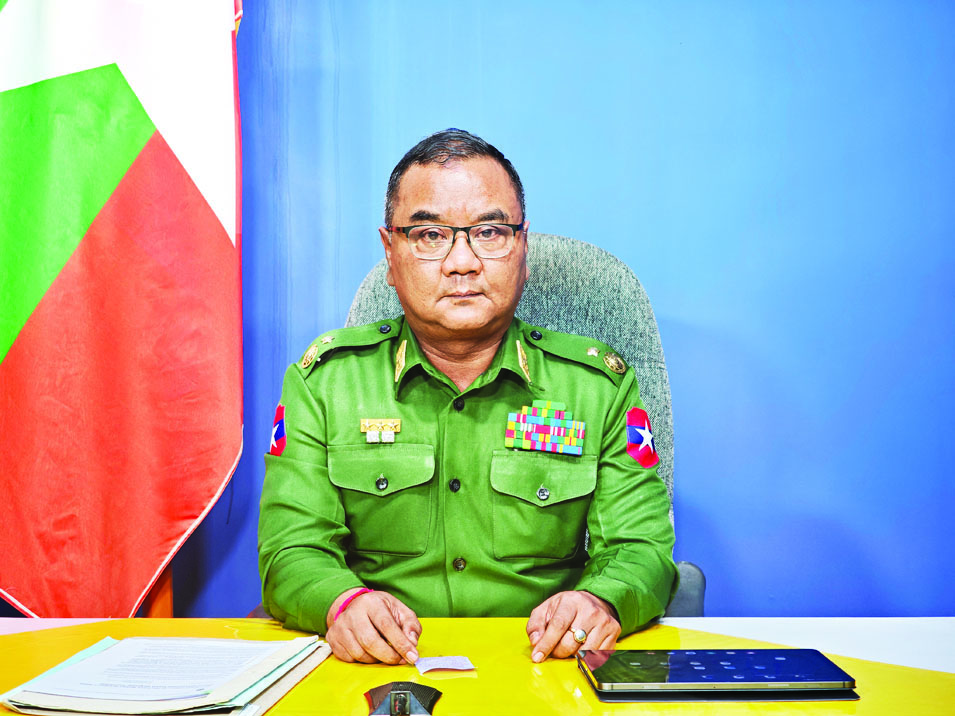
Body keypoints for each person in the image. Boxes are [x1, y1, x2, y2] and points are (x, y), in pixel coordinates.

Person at [258, 129, 676, 666]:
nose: (462, 262)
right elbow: (292, 549)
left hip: (546, 668)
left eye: (490, 232)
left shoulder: (597, 388)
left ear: (522, 248)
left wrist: (599, 601)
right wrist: (343, 603)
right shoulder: (325, 384)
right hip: (379, 671)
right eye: (430, 235)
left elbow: (640, 548)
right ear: (390, 253)